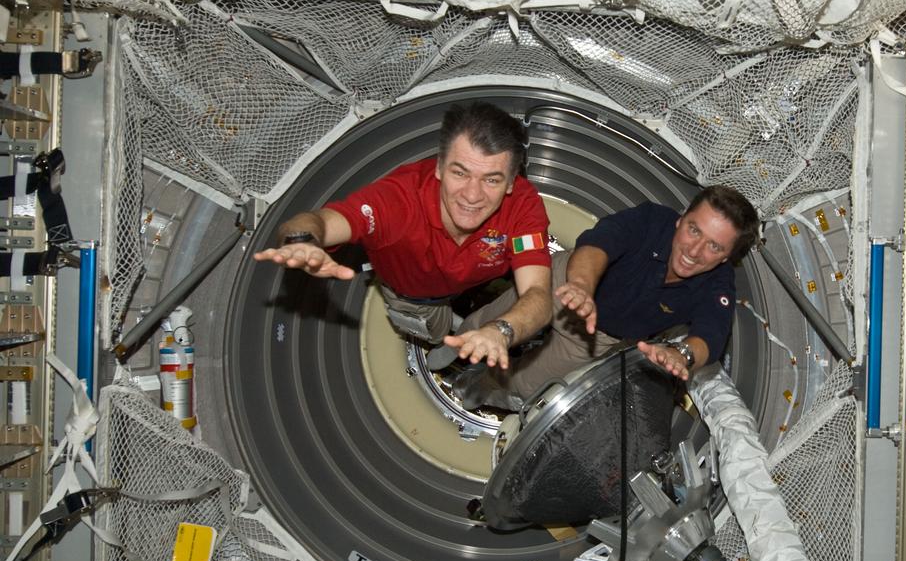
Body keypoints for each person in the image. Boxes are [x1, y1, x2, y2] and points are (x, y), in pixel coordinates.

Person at [252, 101, 552, 370]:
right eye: (459, 173)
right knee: (434, 330)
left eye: (491, 179)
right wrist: (301, 239)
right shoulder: (398, 202)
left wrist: (501, 331)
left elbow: (538, 295)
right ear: (438, 168)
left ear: (512, 183)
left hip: (476, 278)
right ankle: (440, 340)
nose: (472, 195)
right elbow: (322, 221)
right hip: (417, 296)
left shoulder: (523, 206)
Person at [454, 185, 759, 408]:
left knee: (526, 385)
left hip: (594, 338)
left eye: (714, 247)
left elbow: (712, 334)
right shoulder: (651, 220)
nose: (694, 250)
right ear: (680, 220)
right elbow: (600, 243)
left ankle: (476, 388)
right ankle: (457, 347)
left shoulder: (718, 284)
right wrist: (582, 288)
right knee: (490, 324)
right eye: (694, 230)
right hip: (562, 287)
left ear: (725, 258)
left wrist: (683, 356)